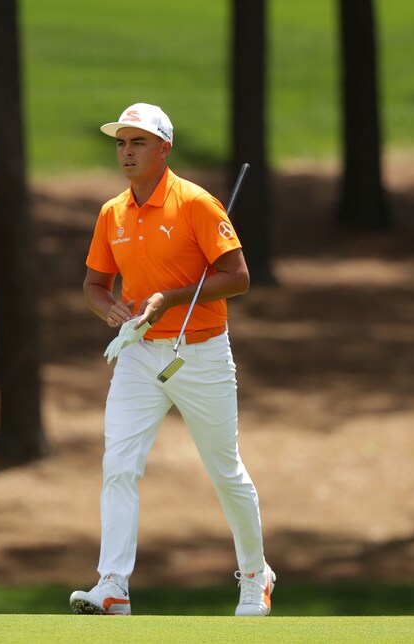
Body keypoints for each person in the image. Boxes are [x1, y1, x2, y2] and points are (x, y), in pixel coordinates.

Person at [70, 103, 274, 617]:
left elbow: (239, 276)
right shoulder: (112, 212)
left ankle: (256, 575)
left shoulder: (197, 205)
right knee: (118, 463)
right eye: (121, 143)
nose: (127, 152)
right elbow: (95, 285)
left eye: (138, 142)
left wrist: (172, 298)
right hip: (139, 353)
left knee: (224, 470)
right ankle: (113, 584)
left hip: (200, 352)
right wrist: (109, 310)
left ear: (164, 149)